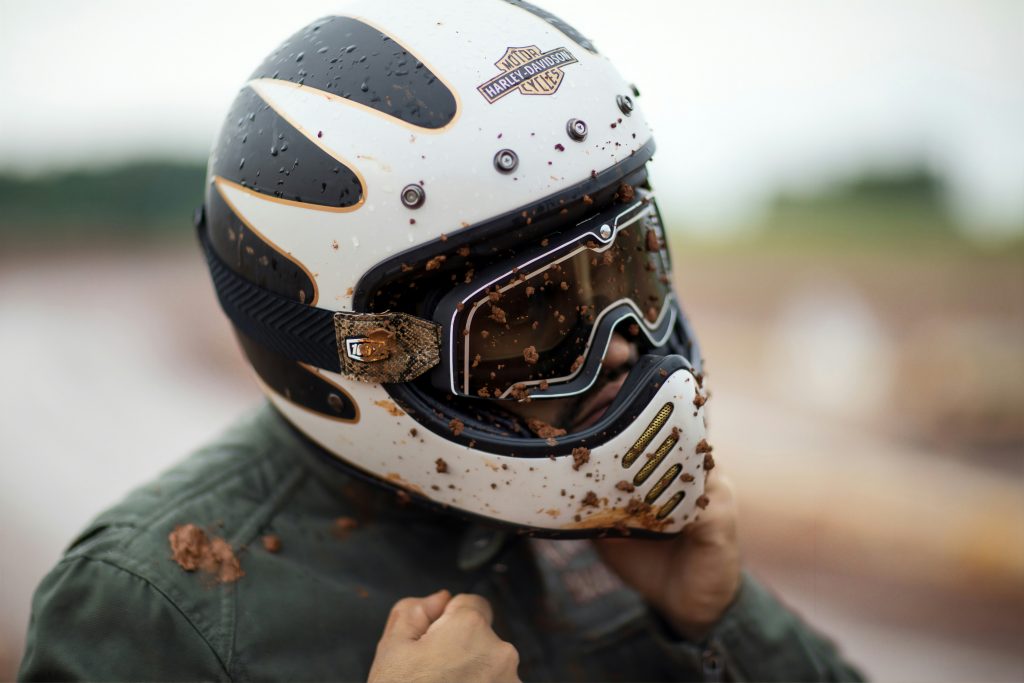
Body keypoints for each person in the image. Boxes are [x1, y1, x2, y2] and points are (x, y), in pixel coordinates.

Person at [20, 1, 864, 681]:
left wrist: (720, 620)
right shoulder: (157, 608)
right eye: (531, 317)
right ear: (367, 353)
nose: (620, 349)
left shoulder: (634, 541)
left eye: (628, 275)